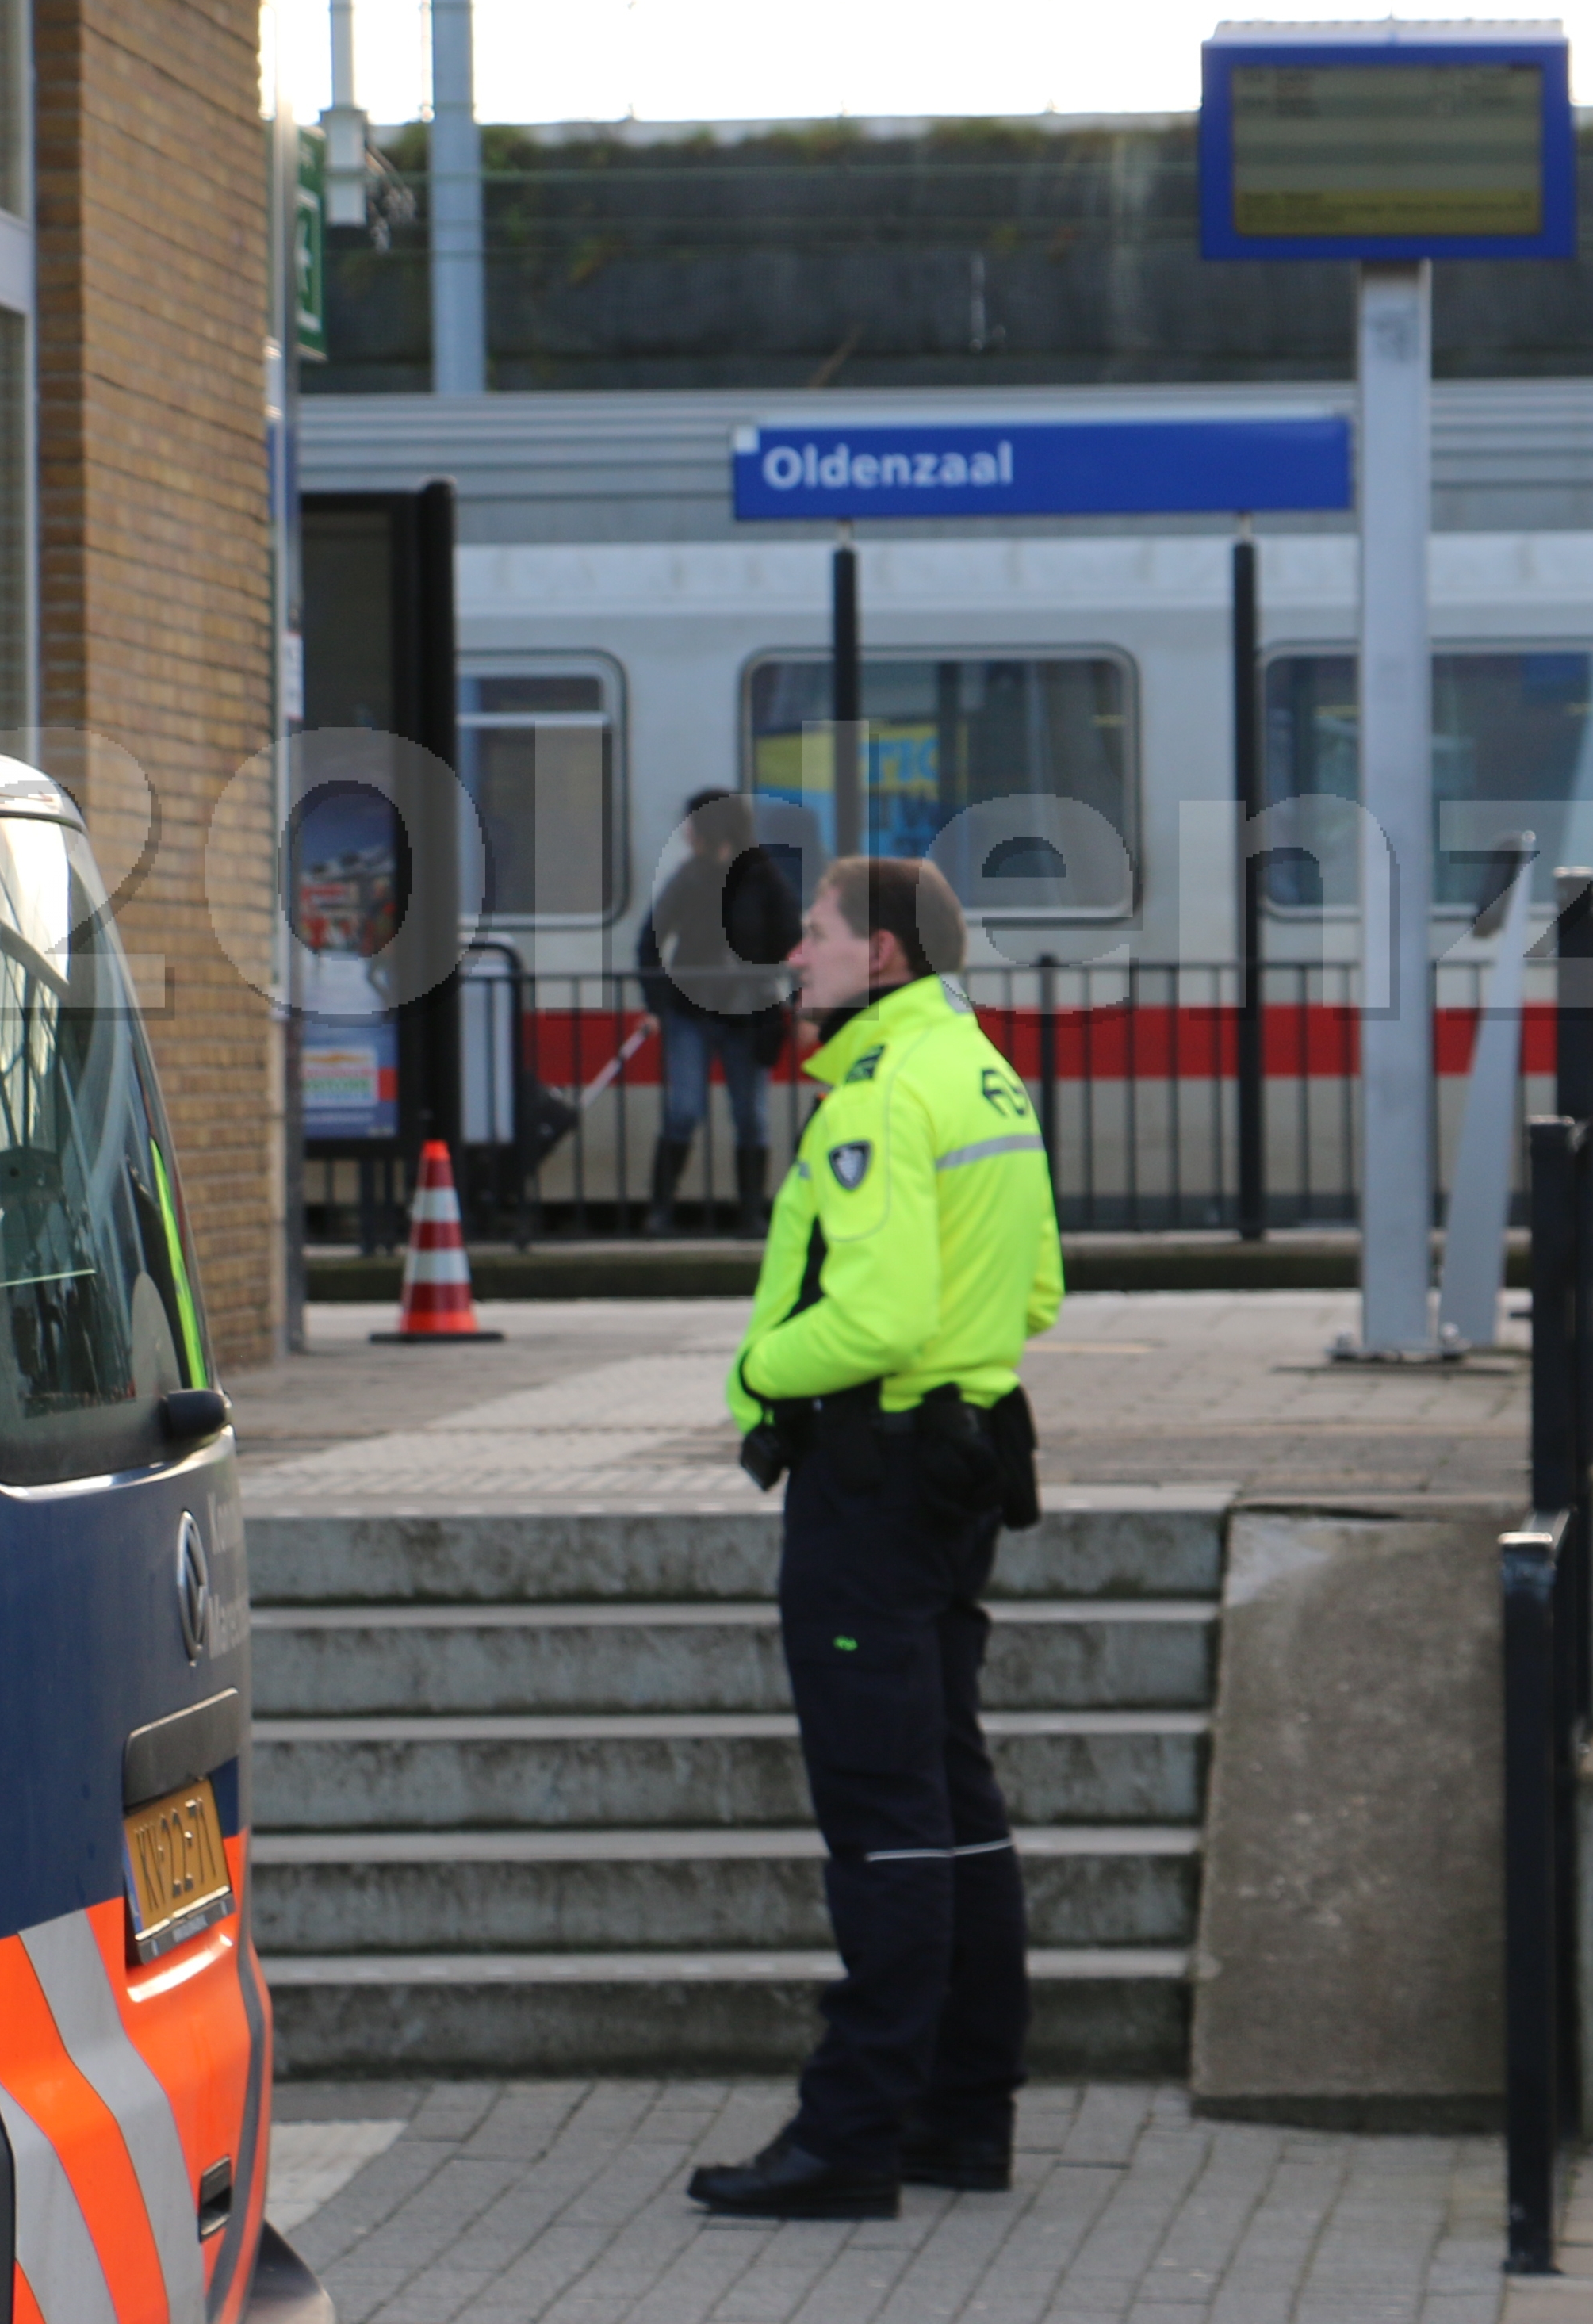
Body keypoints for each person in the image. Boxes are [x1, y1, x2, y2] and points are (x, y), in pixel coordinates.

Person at [687, 854, 1060, 2222]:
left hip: (873, 1480)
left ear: (885, 956)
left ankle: (849, 2133)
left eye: (822, 931)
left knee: (882, 1818)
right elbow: (1037, 1285)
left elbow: (881, 1314)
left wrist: (758, 1375)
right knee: (951, 1804)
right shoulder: (981, 1073)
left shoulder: (878, 1097)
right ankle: (964, 2116)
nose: (796, 953)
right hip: (955, 1466)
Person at [634, 791, 796, 1233]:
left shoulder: (764, 878)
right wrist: (655, 1004)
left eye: (691, 823)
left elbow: (792, 939)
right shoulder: (689, 878)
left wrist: (788, 991)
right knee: (683, 1110)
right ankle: (660, 1210)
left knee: (751, 1116)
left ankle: (750, 1213)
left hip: (749, 1014)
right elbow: (648, 942)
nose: (686, 832)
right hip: (691, 1012)